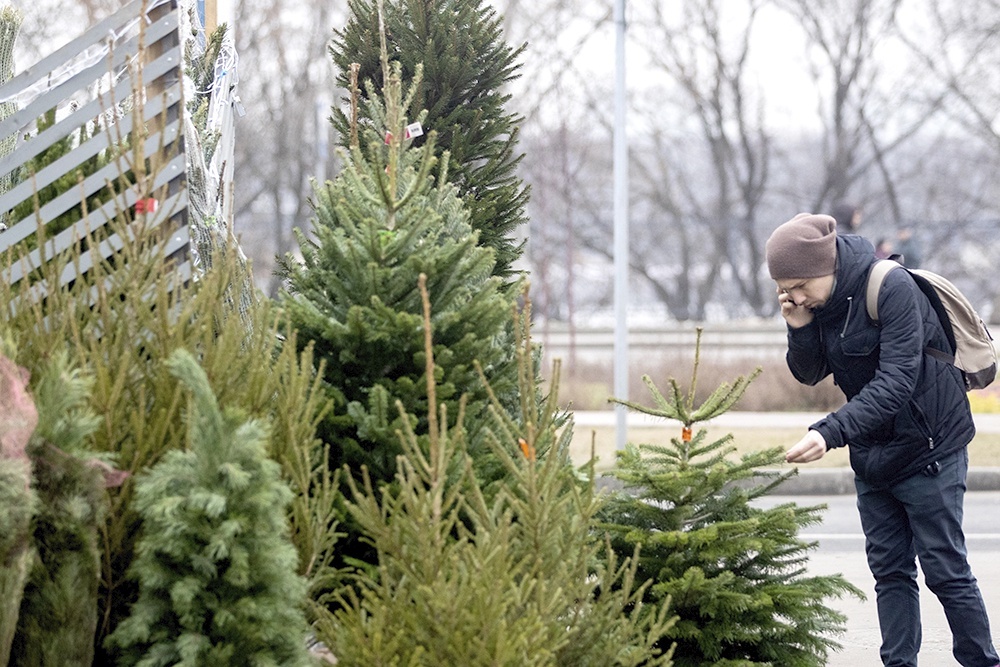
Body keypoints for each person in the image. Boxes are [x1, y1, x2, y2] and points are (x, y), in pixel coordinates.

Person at [765, 212, 999, 667]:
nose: (791, 296)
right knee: (890, 573)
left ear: (824, 267)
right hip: (873, 454)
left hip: (930, 445)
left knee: (945, 570)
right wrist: (798, 326)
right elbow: (811, 373)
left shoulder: (890, 287)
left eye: (797, 285)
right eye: (783, 288)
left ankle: (981, 661)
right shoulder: (818, 304)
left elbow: (897, 381)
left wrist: (829, 433)